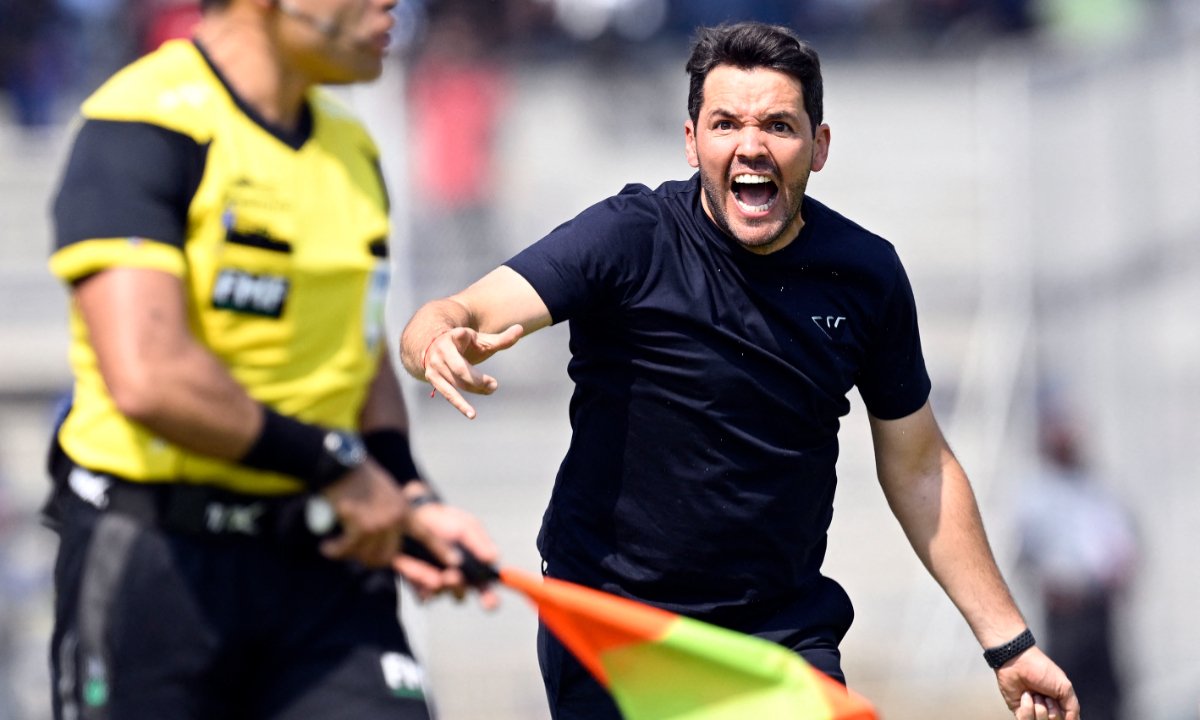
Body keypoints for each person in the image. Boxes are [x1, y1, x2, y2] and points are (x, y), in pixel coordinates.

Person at [399, 20, 1079, 720]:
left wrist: (1010, 644)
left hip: (777, 633)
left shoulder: (865, 275)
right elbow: (458, 312)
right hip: (616, 626)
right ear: (692, 140)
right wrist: (438, 337)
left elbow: (920, 466)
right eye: (726, 123)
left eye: (779, 126)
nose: (750, 146)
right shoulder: (629, 239)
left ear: (818, 148)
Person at [44, 1, 498, 719]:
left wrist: (406, 493)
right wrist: (339, 468)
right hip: (158, 561)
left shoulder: (353, 144)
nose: (393, 6)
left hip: (325, 566)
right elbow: (148, 375)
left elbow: (358, 346)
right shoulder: (142, 123)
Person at [1018, 403, 1137, 720]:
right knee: (1068, 689)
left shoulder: (1095, 489)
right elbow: (1025, 551)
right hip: (1065, 609)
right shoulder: (1036, 493)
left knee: (1107, 693)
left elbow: (1122, 539)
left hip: (1098, 606)